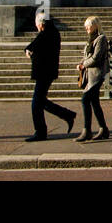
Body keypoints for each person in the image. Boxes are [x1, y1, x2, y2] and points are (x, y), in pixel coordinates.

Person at [24, 13, 76, 142]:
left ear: (41, 24)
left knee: (36, 103)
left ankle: (41, 131)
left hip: (44, 73)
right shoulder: (51, 33)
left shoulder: (46, 34)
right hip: (47, 72)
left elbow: (33, 47)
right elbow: (32, 46)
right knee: (40, 101)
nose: (37, 27)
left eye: (37, 25)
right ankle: (67, 115)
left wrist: (29, 51)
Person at [75, 16, 111, 142]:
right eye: (86, 26)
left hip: (97, 74)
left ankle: (87, 130)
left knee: (85, 99)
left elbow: (96, 57)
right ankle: (103, 129)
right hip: (90, 75)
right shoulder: (91, 39)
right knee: (94, 102)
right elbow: (87, 55)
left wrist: (84, 64)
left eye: (89, 25)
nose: (86, 28)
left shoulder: (101, 39)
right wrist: (81, 63)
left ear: (95, 26)